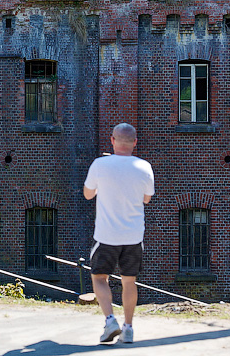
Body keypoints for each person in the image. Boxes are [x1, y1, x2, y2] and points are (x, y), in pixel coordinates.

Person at [83, 123, 155, 344]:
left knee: (99, 277)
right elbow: (146, 199)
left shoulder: (100, 164)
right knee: (129, 281)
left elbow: (88, 194)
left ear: (112, 140)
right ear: (135, 142)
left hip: (107, 235)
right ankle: (129, 328)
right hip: (133, 236)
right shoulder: (144, 167)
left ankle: (110, 320)